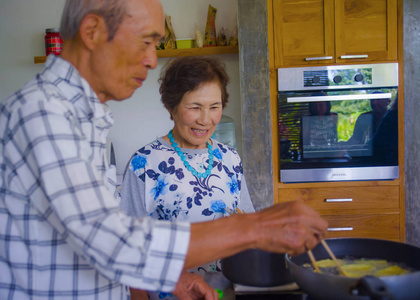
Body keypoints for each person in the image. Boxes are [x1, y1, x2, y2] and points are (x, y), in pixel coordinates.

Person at [0, 0, 328, 299]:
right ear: (92, 32)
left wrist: (172, 280)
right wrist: (258, 227)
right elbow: (114, 243)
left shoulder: (79, 119)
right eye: (146, 41)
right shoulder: (45, 114)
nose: (152, 59)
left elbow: (88, 244)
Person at [120, 56, 255, 299]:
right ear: (171, 107)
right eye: (194, 107)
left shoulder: (230, 158)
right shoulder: (144, 163)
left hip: (227, 293)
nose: (205, 119)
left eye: (214, 107)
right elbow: (130, 250)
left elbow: (247, 228)